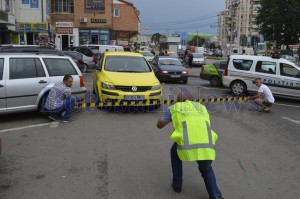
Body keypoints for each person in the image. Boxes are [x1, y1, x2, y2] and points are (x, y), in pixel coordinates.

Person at [156, 92, 224, 199]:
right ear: (191, 100)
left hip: (186, 143)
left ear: (177, 100)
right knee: (206, 169)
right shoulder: (201, 107)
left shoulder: (174, 108)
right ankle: (215, 195)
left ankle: (177, 185)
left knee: (175, 153)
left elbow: (159, 125)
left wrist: (170, 114)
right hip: (207, 143)